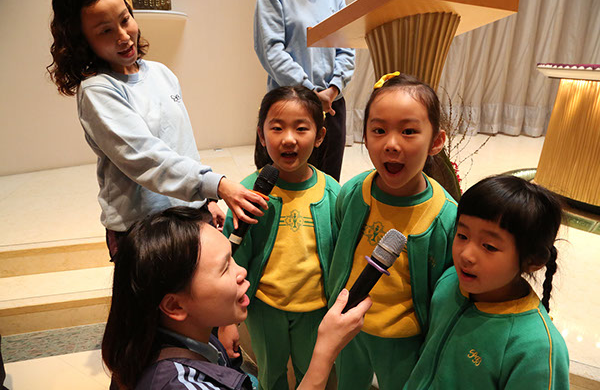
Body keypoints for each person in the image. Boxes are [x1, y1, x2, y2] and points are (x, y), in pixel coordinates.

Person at [47, 0, 267, 258]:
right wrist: (216, 185)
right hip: (143, 228)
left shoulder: (161, 73)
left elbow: (181, 145)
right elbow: (147, 158)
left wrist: (206, 200)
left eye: (125, 19)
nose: (123, 36)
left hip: (189, 212)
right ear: (82, 40)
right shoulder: (98, 90)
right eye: (105, 31)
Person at [101, 206, 371, 390]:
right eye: (224, 268)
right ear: (175, 305)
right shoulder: (179, 384)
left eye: (233, 259)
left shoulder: (183, 336)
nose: (241, 272)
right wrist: (325, 352)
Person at [327, 72, 456, 389]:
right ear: (365, 136)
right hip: (348, 325)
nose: (391, 144)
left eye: (409, 131)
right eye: (379, 130)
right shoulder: (353, 193)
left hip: (404, 338)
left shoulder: (445, 216)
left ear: (436, 141)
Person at [221, 86, 340, 390]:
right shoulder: (248, 194)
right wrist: (227, 319)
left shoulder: (332, 193)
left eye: (301, 128)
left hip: (315, 307)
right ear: (261, 135)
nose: (289, 139)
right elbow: (232, 259)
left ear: (320, 136)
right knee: (270, 375)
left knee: (314, 374)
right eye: (277, 128)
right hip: (264, 307)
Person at [403, 175, 570, 389]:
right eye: (462, 235)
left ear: (533, 261)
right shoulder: (449, 282)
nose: (466, 255)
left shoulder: (535, 348)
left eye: (489, 246)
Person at [253, 0, 355, 181]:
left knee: (327, 182)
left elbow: (347, 49)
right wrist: (310, 92)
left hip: (332, 105)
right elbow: (271, 50)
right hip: (288, 105)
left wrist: (334, 89)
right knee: (278, 185)